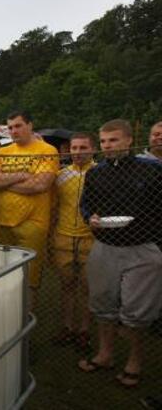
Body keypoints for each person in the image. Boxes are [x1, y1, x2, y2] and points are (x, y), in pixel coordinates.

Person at [77, 119, 162, 388]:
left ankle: (134, 362)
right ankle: (105, 354)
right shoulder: (95, 173)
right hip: (105, 247)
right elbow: (86, 205)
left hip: (143, 248)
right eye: (103, 141)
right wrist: (91, 217)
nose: (107, 146)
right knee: (103, 306)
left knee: (136, 313)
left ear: (128, 140)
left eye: (113, 140)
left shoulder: (152, 170)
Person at [0, 111, 59, 304]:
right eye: (10, 127)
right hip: (2, 221)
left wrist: (5, 182)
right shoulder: (2, 152)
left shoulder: (46, 150)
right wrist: (21, 175)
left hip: (33, 222)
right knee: (3, 272)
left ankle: (27, 315)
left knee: (30, 276)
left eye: (18, 126)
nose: (13, 131)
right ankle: (7, 311)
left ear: (30, 125)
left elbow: (40, 185)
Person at [51, 132, 96, 351]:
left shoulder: (98, 173)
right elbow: (54, 205)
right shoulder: (61, 175)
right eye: (74, 148)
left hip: (91, 238)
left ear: (92, 149)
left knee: (87, 287)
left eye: (83, 148)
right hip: (64, 236)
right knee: (67, 285)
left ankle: (84, 330)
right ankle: (67, 327)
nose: (78, 152)